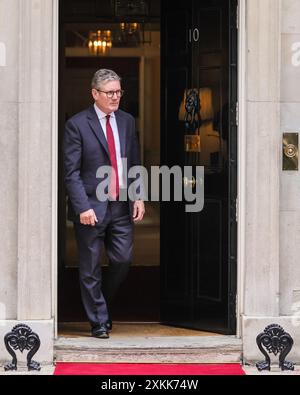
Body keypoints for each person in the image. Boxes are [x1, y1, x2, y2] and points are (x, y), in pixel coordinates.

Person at [63, 69, 145, 339]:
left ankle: (101, 304)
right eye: (110, 92)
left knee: (123, 259)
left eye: (119, 91)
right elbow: (71, 172)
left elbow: (133, 160)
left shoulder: (127, 121)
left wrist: (139, 194)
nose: (115, 97)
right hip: (90, 208)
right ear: (94, 94)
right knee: (90, 267)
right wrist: (82, 207)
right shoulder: (77, 124)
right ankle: (98, 321)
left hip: (120, 204)